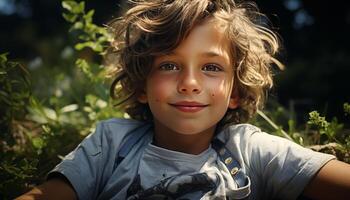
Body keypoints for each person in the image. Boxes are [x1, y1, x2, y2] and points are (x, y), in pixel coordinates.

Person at [17, 0, 350, 199]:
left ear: (234, 92)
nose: (189, 83)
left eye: (211, 67)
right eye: (169, 65)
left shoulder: (252, 151)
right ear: (142, 85)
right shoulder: (112, 143)